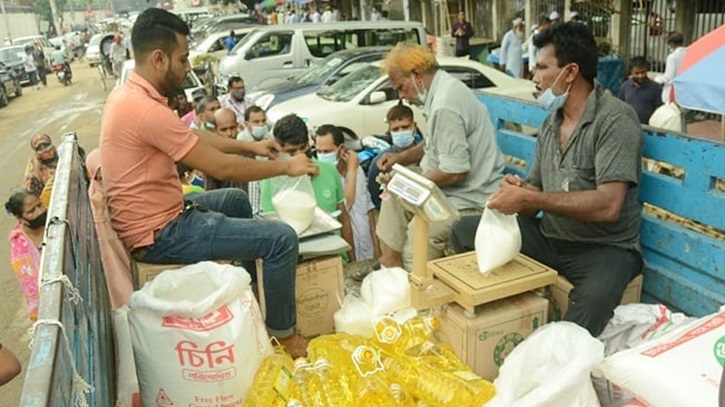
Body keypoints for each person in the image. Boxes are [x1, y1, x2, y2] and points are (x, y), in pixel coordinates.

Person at [100, 8, 318, 357]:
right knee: (281, 239)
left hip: (161, 216)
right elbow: (223, 166)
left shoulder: (132, 96)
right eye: (183, 59)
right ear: (159, 58)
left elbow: (194, 136)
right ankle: (285, 337)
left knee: (233, 200)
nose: (188, 68)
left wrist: (252, 146)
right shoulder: (144, 110)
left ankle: (252, 298)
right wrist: (286, 167)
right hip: (160, 234)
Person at [451, 22, 643, 337]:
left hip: (604, 249)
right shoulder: (552, 122)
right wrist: (517, 193)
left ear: (570, 73)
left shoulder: (615, 120)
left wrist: (531, 199)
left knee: (589, 306)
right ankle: (506, 325)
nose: (534, 77)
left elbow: (609, 205)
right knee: (462, 230)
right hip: (552, 237)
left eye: (541, 67)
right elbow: (535, 190)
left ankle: (548, 364)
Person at [377, 43, 504, 270]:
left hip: (470, 199)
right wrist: (401, 159)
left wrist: (413, 184)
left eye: (402, 87)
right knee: (393, 193)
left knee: (419, 231)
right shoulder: (440, 91)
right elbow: (437, 142)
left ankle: (412, 282)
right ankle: (390, 262)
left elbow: (456, 171)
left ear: (417, 74)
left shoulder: (445, 103)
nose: (402, 96)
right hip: (449, 188)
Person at [260, 114, 355, 261]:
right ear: (278, 150)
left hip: (335, 260)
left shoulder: (329, 171)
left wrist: (352, 259)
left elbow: (344, 218)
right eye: (291, 152)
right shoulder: (272, 180)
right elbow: (274, 228)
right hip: (297, 264)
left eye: (302, 148)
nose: (300, 156)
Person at [315, 124, 378, 263]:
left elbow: (368, 210)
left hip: (366, 249)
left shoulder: (356, 169)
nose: (322, 156)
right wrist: (352, 170)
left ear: (341, 148)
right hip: (346, 254)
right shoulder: (323, 176)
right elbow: (345, 206)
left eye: (327, 151)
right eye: (319, 151)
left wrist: (377, 250)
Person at [86, 149, 134, 308]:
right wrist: (100, 214)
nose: (105, 176)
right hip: (114, 250)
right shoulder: (95, 198)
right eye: (100, 173)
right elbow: (102, 240)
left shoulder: (122, 184)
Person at [367, 104, 424, 209]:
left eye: (405, 127)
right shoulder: (381, 162)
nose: (401, 132)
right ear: (389, 130)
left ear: (414, 126)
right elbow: (374, 196)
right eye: (395, 129)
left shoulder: (426, 155)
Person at [6, 189, 46, 321]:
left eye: (39, 205)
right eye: (31, 211)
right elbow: (30, 283)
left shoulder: (54, 223)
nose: (39, 211)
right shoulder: (20, 247)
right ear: (20, 218)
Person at [237, 106, 272, 215]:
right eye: (256, 122)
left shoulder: (270, 138)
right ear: (247, 124)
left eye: (263, 121)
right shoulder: (241, 142)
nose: (261, 125)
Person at [619, 56, 662, 124]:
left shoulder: (655, 88)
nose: (640, 76)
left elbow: (659, 110)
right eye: (637, 73)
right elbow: (621, 107)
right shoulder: (625, 86)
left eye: (643, 72)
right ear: (631, 72)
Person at [24, 133, 58, 205]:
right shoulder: (36, 169)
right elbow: (30, 193)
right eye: (40, 148)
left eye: (46, 145)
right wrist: (36, 165)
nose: (45, 150)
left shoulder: (63, 153)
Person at [655, 32, 686, 104]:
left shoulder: (672, 57)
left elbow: (668, 77)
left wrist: (656, 79)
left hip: (672, 91)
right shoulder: (688, 52)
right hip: (684, 90)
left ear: (671, 43)